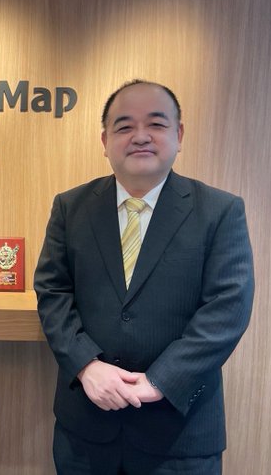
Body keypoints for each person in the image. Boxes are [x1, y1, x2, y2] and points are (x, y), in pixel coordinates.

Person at [34, 80, 254, 474]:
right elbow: (53, 293)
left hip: (179, 433)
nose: (140, 136)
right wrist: (86, 366)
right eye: (124, 126)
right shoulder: (70, 207)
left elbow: (228, 309)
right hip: (87, 429)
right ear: (105, 140)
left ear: (179, 134)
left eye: (155, 124)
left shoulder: (219, 211)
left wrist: (162, 381)